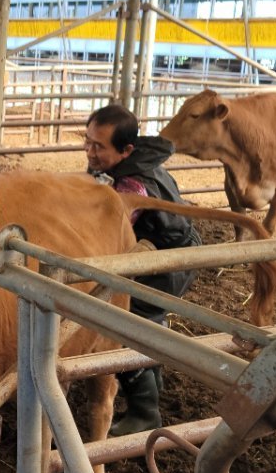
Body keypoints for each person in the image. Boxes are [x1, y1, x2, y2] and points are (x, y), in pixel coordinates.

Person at [85, 104, 202, 436]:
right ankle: (151, 383)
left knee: (120, 323)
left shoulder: (132, 185)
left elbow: (110, 233)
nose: (90, 152)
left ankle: (145, 411)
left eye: (99, 147)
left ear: (126, 150)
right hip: (166, 246)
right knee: (144, 322)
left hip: (167, 258)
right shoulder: (137, 163)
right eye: (88, 141)